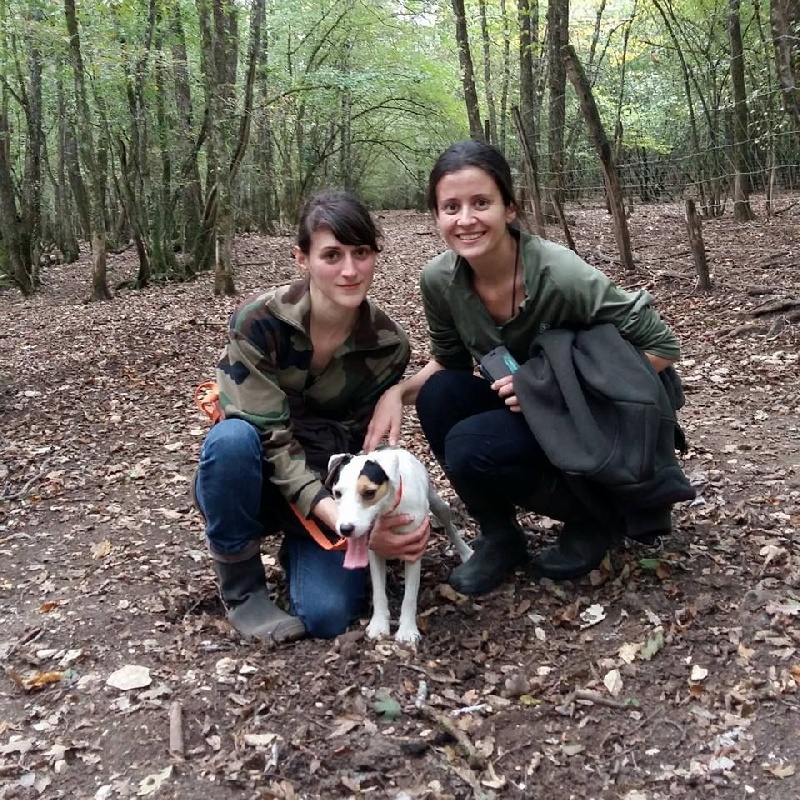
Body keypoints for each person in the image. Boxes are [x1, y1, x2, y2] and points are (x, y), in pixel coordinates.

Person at [364, 140, 692, 596]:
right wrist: (397, 393)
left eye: (481, 203)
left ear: (510, 208)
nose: (466, 219)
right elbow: (450, 363)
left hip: (598, 417)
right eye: (451, 207)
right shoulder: (440, 280)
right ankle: (501, 536)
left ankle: (593, 517)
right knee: (441, 396)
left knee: (469, 444)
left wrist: (552, 387)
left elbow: (662, 346)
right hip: (533, 409)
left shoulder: (560, 273)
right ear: (436, 216)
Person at [194, 191, 430, 643]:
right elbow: (271, 442)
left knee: (327, 616)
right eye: (331, 255)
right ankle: (243, 592)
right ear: (302, 258)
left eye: (361, 253)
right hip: (256, 483)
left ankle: (299, 550)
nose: (350, 270)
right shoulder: (258, 323)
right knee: (232, 441)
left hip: (328, 488)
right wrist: (347, 524)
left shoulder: (387, 346)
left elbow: (362, 457)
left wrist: (370, 523)